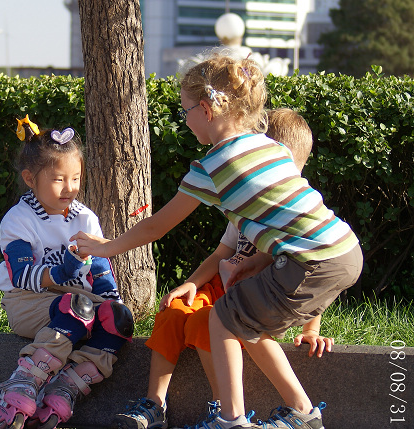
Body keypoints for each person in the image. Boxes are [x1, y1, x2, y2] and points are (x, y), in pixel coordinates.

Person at [71, 54, 363, 429]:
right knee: (246, 319)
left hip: (312, 261)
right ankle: (301, 413)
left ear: (206, 109)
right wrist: (259, 261)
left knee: (225, 317)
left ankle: (232, 420)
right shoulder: (270, 148)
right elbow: (287, 214)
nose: (186, 119)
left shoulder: (213, 166)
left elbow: (155, 227)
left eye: (185, 111)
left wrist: (104, 247)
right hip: (343, 250)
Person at [110, 108, 333, 429]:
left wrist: (311, 330)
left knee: (206, 319)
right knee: (174, 310)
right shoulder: (247, 202)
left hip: (258, 302)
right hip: (225, 288)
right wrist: (190, 284)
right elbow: (222, 254)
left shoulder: (297, 205)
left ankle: (223, 411)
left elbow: (312, 268)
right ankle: (154, 405)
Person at [0, 115, 134, 429]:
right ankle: (23, 384)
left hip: (77, 302)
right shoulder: (18, 220)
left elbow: (101, 269)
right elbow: (23, 275)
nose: (69, 188)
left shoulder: (85, 218)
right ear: (29, 178)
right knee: (79, 307)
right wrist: (66, 269)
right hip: (28, 301)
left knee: (118, 320)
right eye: (58, 179)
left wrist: (113, 307)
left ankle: (67, 387)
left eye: (75, 178)